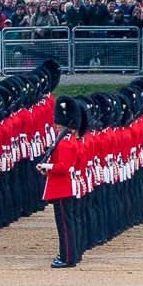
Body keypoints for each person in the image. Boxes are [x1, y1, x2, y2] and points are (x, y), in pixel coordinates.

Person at [39, 95, 86, 268]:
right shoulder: (69, 140)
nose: (56, 125)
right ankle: (71, 253)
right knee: (68, 222)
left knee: (65, 224)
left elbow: (63, 167)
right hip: (65, 186)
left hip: (62, 187)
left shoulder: (65, 143)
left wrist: (46, 165)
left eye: (58, 123)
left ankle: (67, 257)